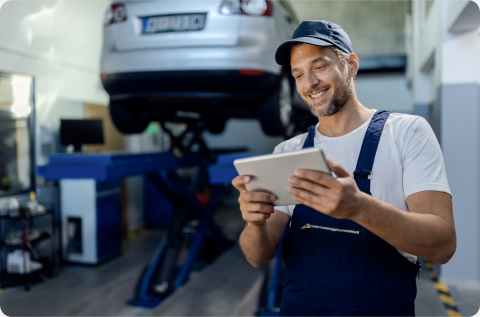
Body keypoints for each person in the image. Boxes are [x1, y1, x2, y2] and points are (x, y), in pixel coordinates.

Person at [232, 20, 456, 316]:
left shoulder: (406, 133)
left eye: (320, 66)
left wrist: (359, 208)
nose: (309, 83)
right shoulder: (288, 152)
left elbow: (442, 245)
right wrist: (254, 222)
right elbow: (257, 257)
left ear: (351, 65)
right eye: (298, 74)